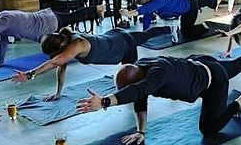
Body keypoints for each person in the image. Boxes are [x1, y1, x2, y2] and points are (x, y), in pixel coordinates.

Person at [75, 51, 241, 145]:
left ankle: (237, 103)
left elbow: (138, 91)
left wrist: (104, 102)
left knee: (208, 130)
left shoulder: (157, 74)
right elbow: (140, 96)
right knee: (234, 66)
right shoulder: (142, 66)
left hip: (212, 81)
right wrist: (140, 131)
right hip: (198, 62)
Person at [10, 25, 172, 101]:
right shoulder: (65, 43)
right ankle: (167, 29)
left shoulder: (77, 44)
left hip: (123, 45)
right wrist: (58, 92)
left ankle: (169, 29)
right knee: (143, 36)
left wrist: (29, 75)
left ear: (59, 47)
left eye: (53, 54)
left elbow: (54, 63)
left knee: (134, 83)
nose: (52, 57)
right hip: (113, 37)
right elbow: (60, 66)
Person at [0, 5, 102, 68]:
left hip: (47, 25)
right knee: (73, 16)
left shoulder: (4, 20)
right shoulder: (3, 18)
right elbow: (3, 41)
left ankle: (75, 51)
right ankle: (97, 9)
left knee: (52, 48)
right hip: (46, 15)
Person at [122, 0, 218, 40]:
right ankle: (214, 1)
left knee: (187, 33)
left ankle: (206, 27)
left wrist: (128, 14)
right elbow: (147, 13)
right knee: (200, 1)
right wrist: (145, 34)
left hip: (189, 7)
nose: (143, 5)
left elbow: (145, 9)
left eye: (143, 3)